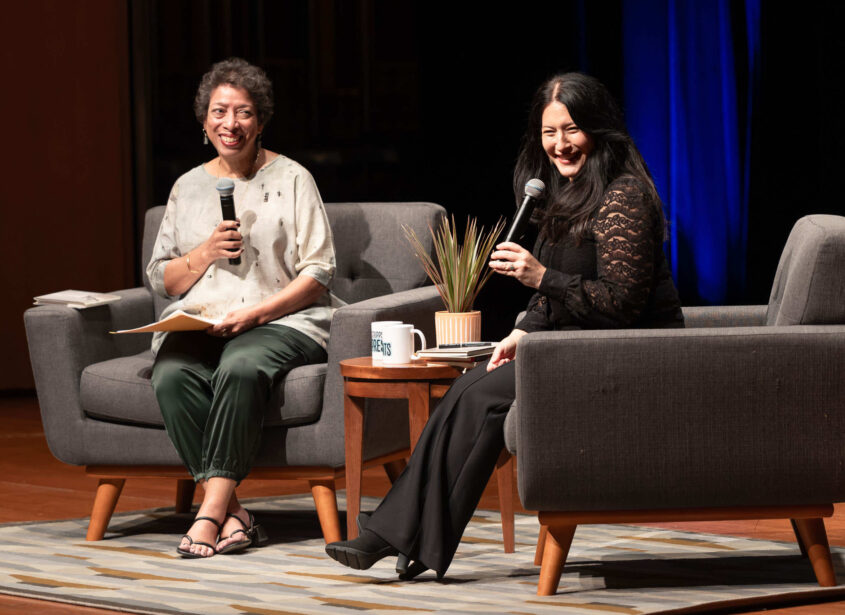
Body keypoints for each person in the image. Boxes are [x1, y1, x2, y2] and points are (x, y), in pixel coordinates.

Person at [324, 72, 684, 578]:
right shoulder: (565, 193)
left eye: (572, 129)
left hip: (629, 353)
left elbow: (621, 303)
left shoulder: (624, 196)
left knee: (480, 395)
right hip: (575, 346)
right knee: (468, 389)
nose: (560, 145)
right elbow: (552, 291)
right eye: (549, 132)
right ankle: (413, 541)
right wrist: (524, 329)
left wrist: (542, 277)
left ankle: (392, 533)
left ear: (600, 130)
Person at [147, 58, 340, 558]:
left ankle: (209, 514)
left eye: (244, 113)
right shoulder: (187, 186)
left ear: (261, 119)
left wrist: (255, 316)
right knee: (169, 374)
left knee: (241, 363)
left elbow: (318, 272)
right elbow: (162, 278)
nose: (230, 124)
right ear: (203, 120)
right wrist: (204, 253)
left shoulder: (293, 177)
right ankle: (238, 512)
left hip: (283, 318)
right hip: (205, 320)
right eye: (219, 112)